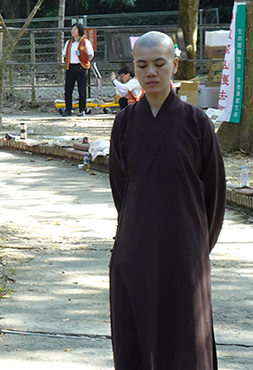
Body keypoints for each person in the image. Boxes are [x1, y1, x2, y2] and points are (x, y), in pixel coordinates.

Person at [108, 31, 226, 370]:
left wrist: (197, 246)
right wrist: (134, 230)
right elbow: (121, 190)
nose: (151, 72)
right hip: (136, 248)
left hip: (184, 251)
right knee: (136, 335)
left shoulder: (196, 122)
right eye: (142, 65)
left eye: (159, 64)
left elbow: (214, 194)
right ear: (134, 68)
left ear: (174, 65)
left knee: (186, 336)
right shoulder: (125, 122)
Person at [62, 23, 94, 116]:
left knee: (82, 89)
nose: (72, 31)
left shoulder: (85, 42)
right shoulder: (69, 42)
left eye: (75, 29)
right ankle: (68, 109)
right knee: (68, 89)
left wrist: (84, 62)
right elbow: (64, 54)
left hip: (81, 67)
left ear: (80, 31)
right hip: (70, 67)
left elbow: (90, 54)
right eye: (72, 29)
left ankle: (82, 109)